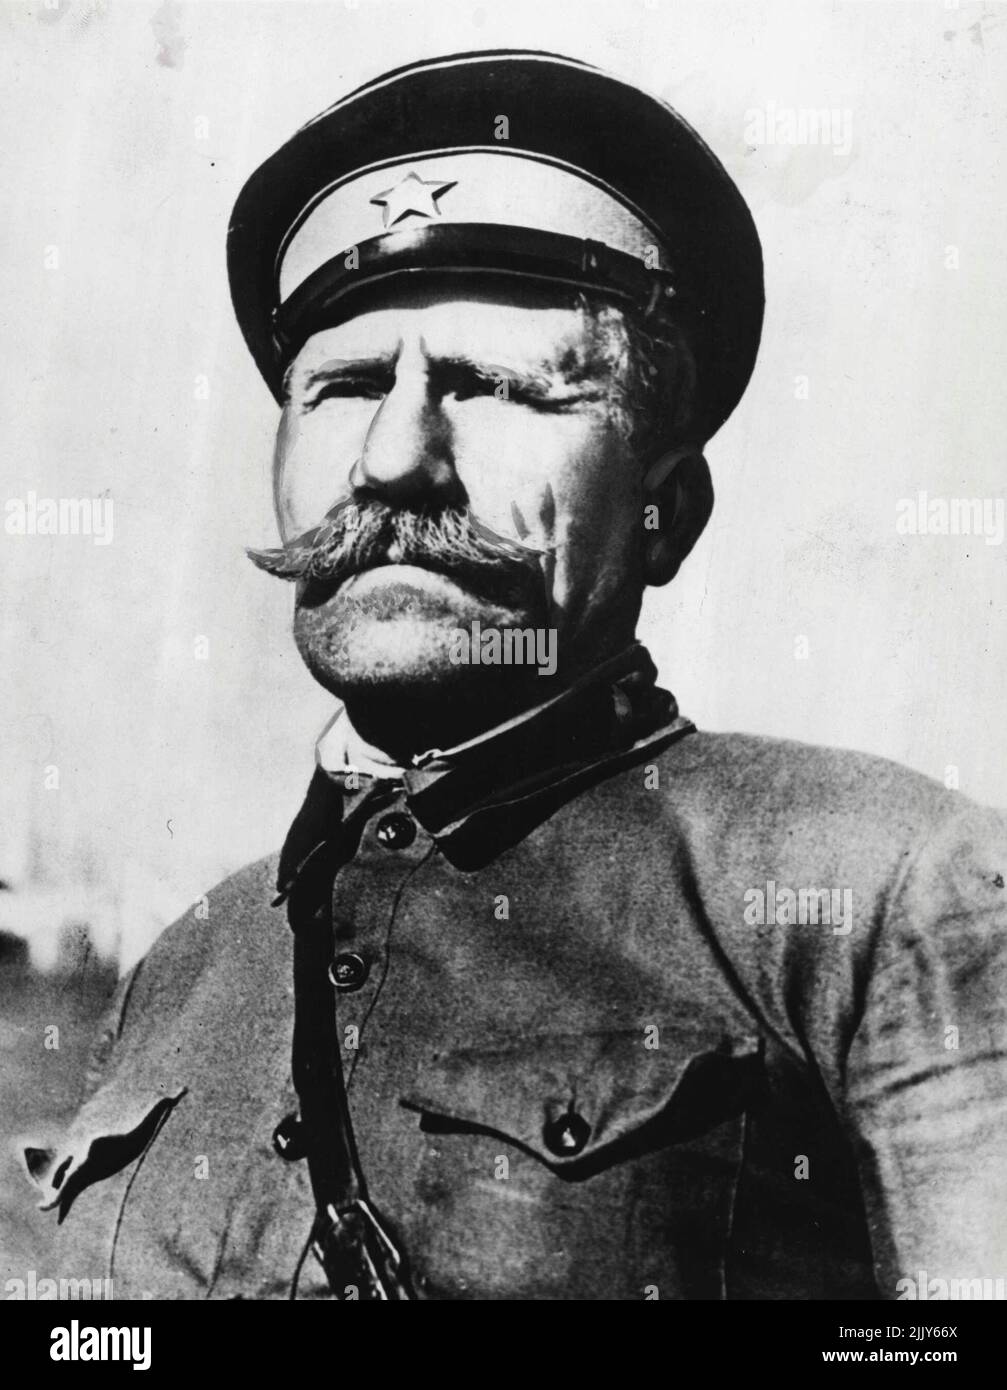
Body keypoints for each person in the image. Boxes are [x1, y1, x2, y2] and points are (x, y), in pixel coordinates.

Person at [21, 49, 1007, 1301]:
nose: (392, 461)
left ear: (665, 509)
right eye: (345, 386)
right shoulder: (190, 957)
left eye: (491, 388)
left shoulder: (885, 886)